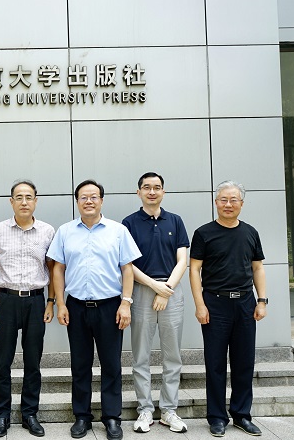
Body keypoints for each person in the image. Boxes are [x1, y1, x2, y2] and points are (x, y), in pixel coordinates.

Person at [47, 179, 140, 440]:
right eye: (83, 197)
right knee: (80, 364)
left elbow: (127, 269)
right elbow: (58, 269)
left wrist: (126, 303)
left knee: (111, 364)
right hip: (76, 306)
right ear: (77, 201)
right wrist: (61, 303)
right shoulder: (65, 231)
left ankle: (111, 417)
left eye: (94, 197)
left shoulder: (118, 231)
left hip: (110, 306)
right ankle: (82, 416)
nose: (89, 201)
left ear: (101, 200)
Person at [189, 180, 267, 437]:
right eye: (223, 199)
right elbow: (194, 269)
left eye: (234, 200)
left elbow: (257, 268)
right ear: (216, 202)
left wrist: (262, 300)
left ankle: (242, 415)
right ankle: (217, 417)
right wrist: (200, 304)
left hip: (245, 303)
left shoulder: (251, 232)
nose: (228, 204)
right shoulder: (204, 233)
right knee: (215, 363)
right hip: (215, 303)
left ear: (241, 204)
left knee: (244, 362)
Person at [0, 180, 55, 438]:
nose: (24, 202)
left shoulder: (47, 231)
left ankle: (29, 414)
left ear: (36, 200)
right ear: (11, 201)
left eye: (29, 197)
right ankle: (2, 414)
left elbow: (53, 269)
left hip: (36, 301)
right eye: (19, 197)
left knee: (33, 361)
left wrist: (51, 301)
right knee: (2, 360)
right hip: (6, 300)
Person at [122, 172, 190, 434]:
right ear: (138, 192)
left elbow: (182, 260)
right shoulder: (129, 223)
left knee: (172, 355)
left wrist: (166, 289)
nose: (152, 191)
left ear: (163, 191)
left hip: (171, 291)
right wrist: (154, 286)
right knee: (141, 355)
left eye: (157, 187)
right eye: (147, 187)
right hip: (141, 291)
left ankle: (169, 410)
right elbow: (127, 264)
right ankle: (145, 409)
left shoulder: (175, 220)